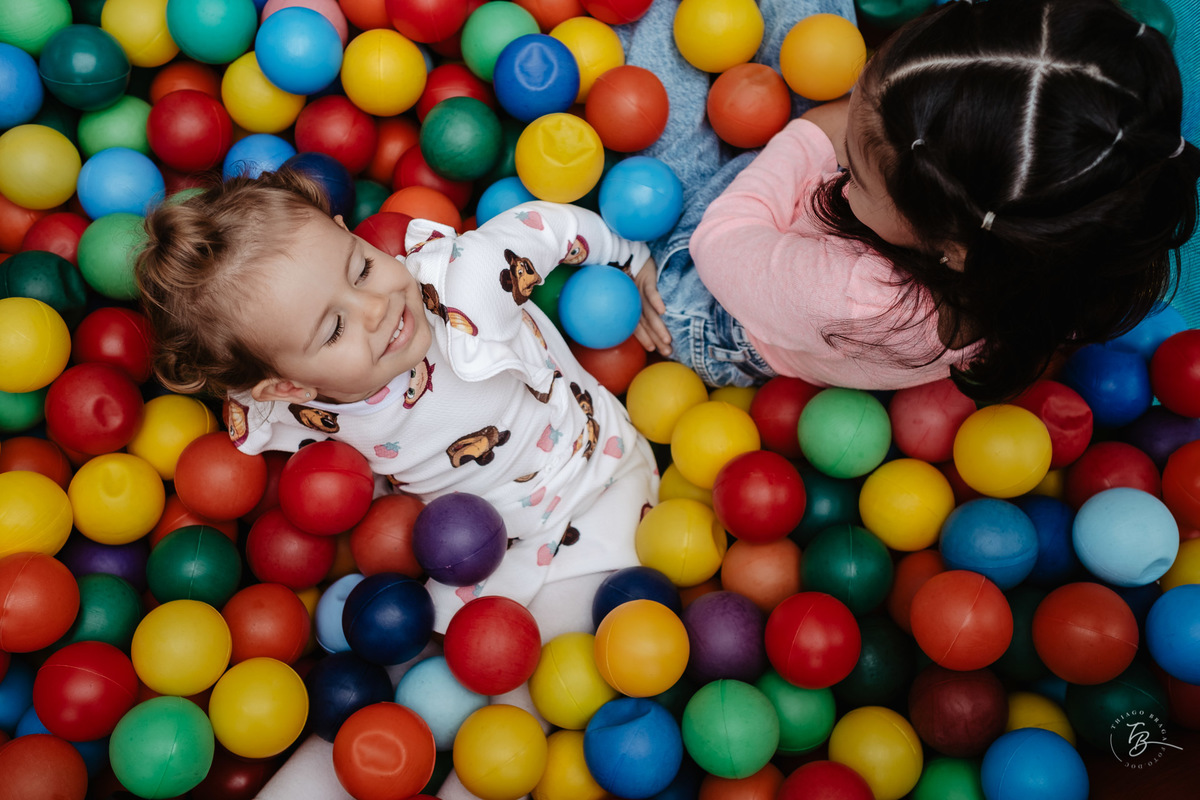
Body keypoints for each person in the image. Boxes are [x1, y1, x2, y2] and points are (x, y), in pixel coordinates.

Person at [137, 168, 659, 638]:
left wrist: (631, 256)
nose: (376, 307)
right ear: (288, 387)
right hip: (477, 553)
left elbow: (549, 230)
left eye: (361, 268)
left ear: (347, 231)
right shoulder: (289, 407)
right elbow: (240, 383)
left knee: (582, 631)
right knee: (443, 645)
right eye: (334, 328)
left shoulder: (467, 282)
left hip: (600, 474)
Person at [626, 0, 1200, 402]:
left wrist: (811, 134)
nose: (846, 115)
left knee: (656, 101)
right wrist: (849, 131)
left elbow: (719, 240)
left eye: (857, 173)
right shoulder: (1066, 244)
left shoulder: (861, 299)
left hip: (714, 300)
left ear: (949, 247)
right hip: (804, 249)